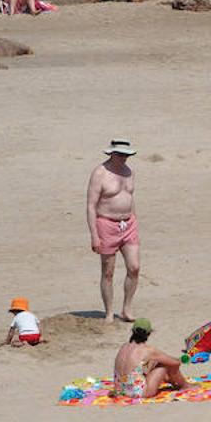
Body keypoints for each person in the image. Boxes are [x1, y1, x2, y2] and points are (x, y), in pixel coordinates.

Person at [86, 138, 141, 322]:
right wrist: (94, 235)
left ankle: (127, 308)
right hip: (106, 224)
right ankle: (109, 312)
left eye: (127, 155)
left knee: (134, 267)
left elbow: (130, 197)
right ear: (112, 153)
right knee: (108, 271)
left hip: (128, 223)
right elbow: (91, 205)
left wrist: (134, 219)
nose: (125, 158)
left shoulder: (129, 172)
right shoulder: (100, 173)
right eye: (121, 155)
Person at [112, 318, 193, 399]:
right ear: (149, 334)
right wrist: (183, 359)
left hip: (119, 391)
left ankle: (170, 379)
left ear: (132, 331)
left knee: (152, 361)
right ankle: (185, 385)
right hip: (138, 393)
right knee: (164, 364)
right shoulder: (148, 350)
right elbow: (175, 362)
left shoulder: (124, 346)